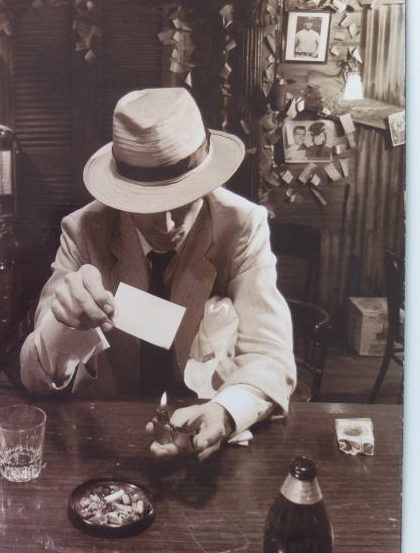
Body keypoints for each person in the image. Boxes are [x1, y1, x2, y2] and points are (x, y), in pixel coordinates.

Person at [19, 87, 296, 461]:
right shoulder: (83, 230)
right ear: (120, 191)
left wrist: (226, 412)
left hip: (209, 441)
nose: (166, 225)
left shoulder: (242, 225)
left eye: (182, 200)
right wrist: (64, 325)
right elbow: (33, 376)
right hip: (105, 442)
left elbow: (271, 355)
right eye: (147, 204)